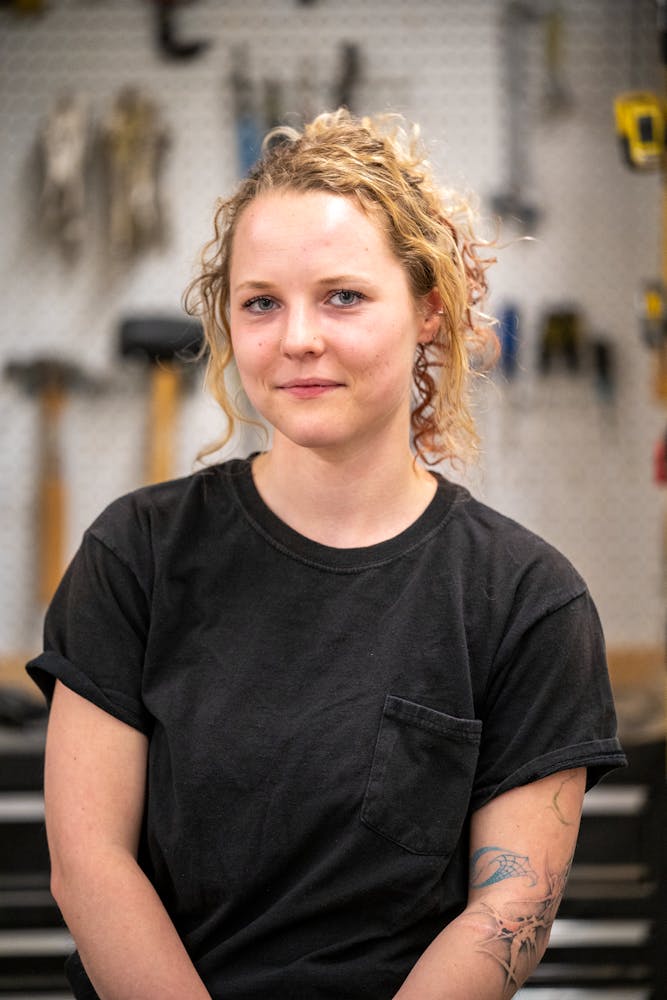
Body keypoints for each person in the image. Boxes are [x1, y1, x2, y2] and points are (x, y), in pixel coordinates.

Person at [27, 109, 626, 1000]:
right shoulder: (137, 555)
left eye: (341, 296)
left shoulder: (526, 600)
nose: (297, 337)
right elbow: (90, 867)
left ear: (430, 310)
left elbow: (507, 913)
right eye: (260, 302)